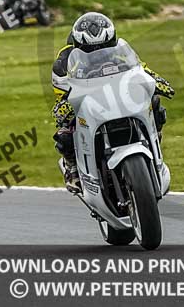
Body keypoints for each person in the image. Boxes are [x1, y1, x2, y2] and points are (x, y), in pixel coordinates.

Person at [50, 12, 175, 193]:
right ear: (78, 45)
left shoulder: (120, 48)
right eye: (91, 49)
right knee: (65, 131)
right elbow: (60, 86)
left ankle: (154, 140)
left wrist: (157, 81)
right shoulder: (64, 59)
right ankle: (73, 169)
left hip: (118, 93)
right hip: (88, 98)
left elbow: (140, 67)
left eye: (105, 46)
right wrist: (64, 104)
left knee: (154, 102)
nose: (99, 51)